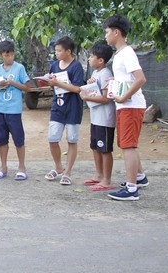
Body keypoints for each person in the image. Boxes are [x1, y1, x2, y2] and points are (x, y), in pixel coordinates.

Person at [104, 15, 149, 201]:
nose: (106, 36)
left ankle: (131, 189)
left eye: (107, 32)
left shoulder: (127, 53)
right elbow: (129, 79)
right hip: (125, 105)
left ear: (117, 32)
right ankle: (139, 177)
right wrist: (115, 82)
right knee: (126, 143)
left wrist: (124, 97)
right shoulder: (120, 54)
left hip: (130, 106)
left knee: (128, 145)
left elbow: (140, 79)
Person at [44, 36, 85, 186]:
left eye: (59, 50)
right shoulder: (54, 65)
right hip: (57, 107)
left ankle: (68, 172)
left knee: (71, 140)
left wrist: (57, 82)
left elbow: (77, 88)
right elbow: (52, 86)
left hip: (73, 108)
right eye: (55, 50)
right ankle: (58, 167)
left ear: (68, 51)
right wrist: (50, 82)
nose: (56, 53)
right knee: (52, 138)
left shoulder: (76, 67)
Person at [0, 40, 31, 181]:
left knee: (18, 139)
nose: (10, 57)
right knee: (1, 140)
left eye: (12, 54)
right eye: (7, 55)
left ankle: (21, 168)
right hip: (0, 108)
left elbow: (27, 87)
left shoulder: (19, 68)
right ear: (1, 55)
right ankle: (3, 167)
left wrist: (12, 82)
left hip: (14, 110)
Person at [79, 42, 116, 191]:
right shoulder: (95, 73)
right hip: (96, 118)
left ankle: (106, 179)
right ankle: (99, 175)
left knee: (105, 149)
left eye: (91, 56)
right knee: (95, 147)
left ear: (101, 60)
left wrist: (87, 97)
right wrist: (90, 85)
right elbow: (97, 90)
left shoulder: (106, 74)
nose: (89, 58)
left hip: (105, 119)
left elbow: (106, 98)